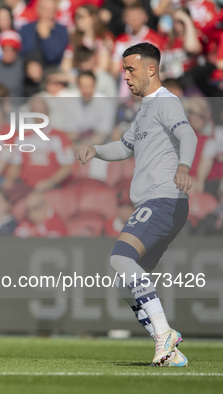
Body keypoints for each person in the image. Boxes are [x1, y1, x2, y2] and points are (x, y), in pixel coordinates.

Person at [76, 43, 197, 367]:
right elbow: (126, 146)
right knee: (125, 280)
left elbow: (189, 136)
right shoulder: (145, 109)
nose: (125, 76)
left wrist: (183, 167)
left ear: (151, 69)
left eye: (130, 70)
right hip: (157, 200)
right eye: (124, 70)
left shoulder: (166, 102)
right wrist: (96, 149)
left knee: (121, 258)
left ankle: (164, 335)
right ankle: (169, 350)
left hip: (164, 198)